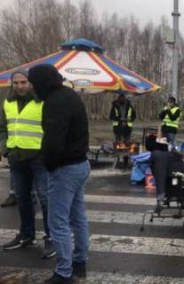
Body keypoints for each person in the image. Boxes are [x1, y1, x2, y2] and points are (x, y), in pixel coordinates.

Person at [28, 64, 90, 284]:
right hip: (80, 163)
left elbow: (54, 141)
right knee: (78, 217)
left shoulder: (54, 102)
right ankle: (80, 262)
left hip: (65, 168)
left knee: (58, 222)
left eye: (33, 84)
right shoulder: (69, 95)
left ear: (42, 82)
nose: (32, 88)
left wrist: (49, 164)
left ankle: (64, 272)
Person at [0, 69, 55, 258]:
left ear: (30, 83)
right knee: (23, 199)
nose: (20, 86)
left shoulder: (42, 101)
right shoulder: (7, 102)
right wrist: (5, 148)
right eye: (16, 83)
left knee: (45, 198)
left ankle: (51, 237)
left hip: (39, 158)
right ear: (11, 85)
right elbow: (2, 128)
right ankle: (26, 235)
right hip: (16, 158)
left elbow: (51, 128)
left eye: (23, 82)